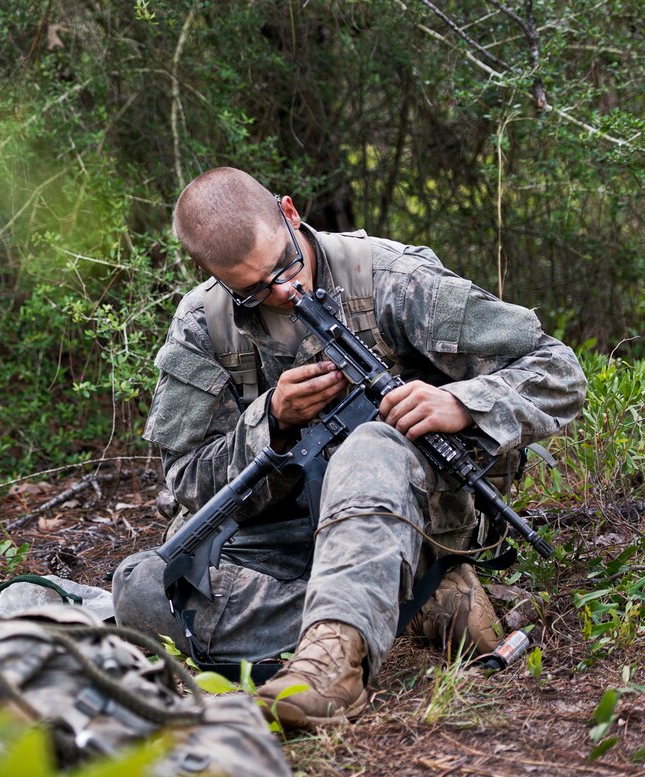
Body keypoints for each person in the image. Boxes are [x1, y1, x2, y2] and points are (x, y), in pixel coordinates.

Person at [112, 167, 587, 729]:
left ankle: (330, 673)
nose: (285, 294)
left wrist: (461, 402)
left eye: (285, 268)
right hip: (288, 539)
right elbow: (185, 482)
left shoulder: (391, 278)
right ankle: (412, 604)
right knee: (141, 590)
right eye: (256, 290)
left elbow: (559, 373)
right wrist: (271, 423)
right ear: (208, 272)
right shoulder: (202, 325)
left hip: (419, 513)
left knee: (368, 446)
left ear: (290, 213)